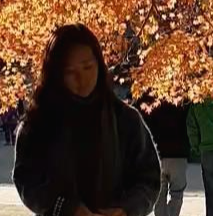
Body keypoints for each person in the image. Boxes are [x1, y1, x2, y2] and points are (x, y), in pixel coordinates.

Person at [13, 23, 160, 216]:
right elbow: (28, 180)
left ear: (99, 64)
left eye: (88, 67)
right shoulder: (39, 123)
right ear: (56, 74)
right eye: (70, 72)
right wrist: (66, 208)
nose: (82, 79)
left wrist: (126, 209)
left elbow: (148, 178)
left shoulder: (125, 119)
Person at [142, 99, 190, 216]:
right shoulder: (183, 103)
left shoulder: (152, 103)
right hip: (178, 154)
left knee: (159, 194)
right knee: (177, 193)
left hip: (158, 155)